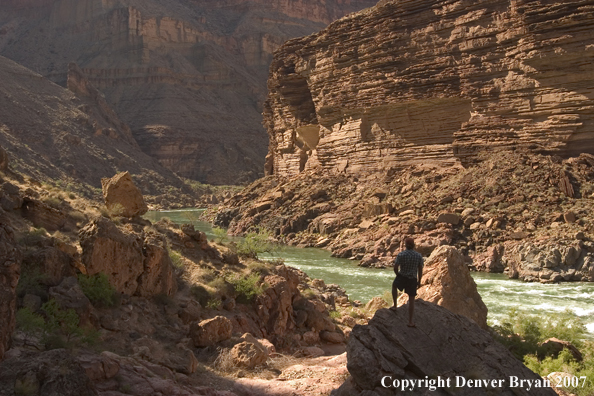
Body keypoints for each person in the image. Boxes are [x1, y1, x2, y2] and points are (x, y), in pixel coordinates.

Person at [391, 237, 424, 327]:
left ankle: (395, 306)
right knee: (411, 299)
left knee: (394, 286)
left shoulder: (401, 254)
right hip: (412, 279)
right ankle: (410, 321)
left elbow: (395, 267)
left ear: (405, 245)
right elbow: (420, 270)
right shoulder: (418, 256)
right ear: (413, 245)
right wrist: (419, 280)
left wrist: (398, 275)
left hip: (402, 276)